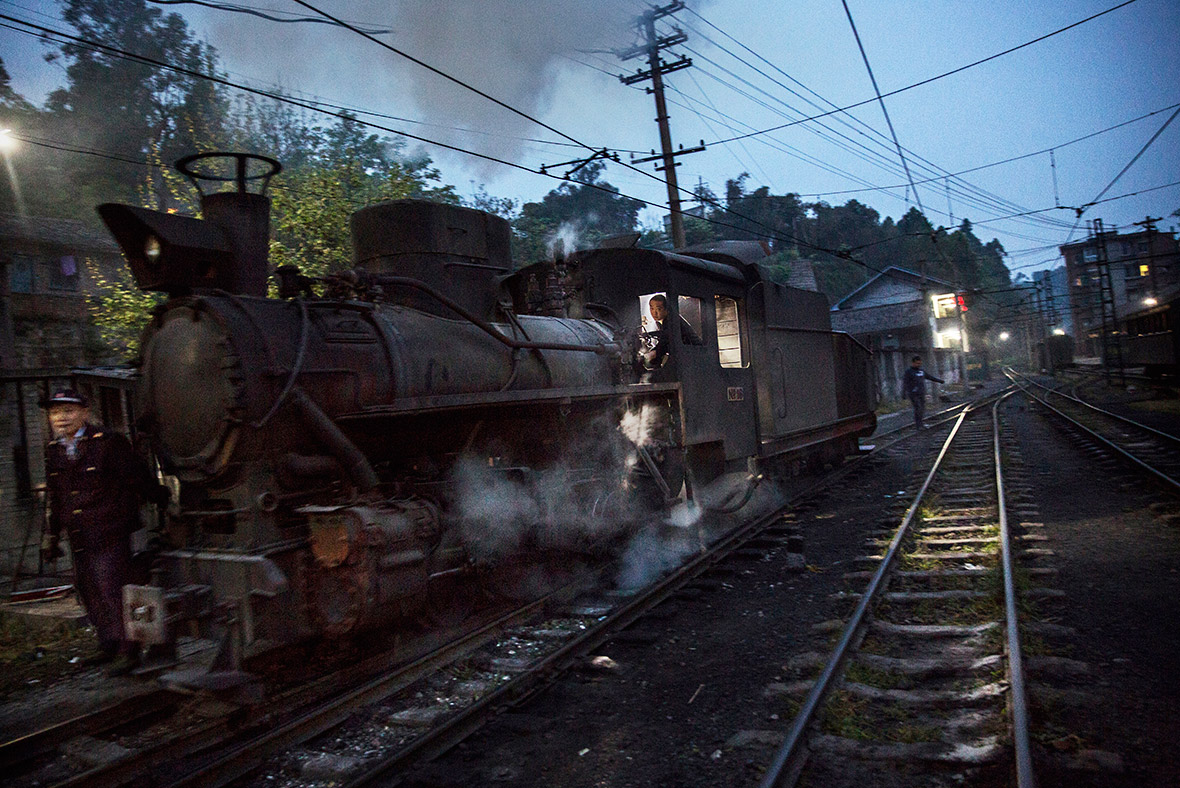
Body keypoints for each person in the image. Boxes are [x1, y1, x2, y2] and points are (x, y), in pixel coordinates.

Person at [39, 389, 165, 676]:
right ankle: (107, 644)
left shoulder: (107, 443)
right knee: (90, 591)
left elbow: (137, 477)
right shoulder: (54, 450)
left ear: (84, 412)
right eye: (55, 413)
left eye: (68, 411)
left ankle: (128, 650)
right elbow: (55, 498)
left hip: (111, 531)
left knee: (113, 590)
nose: (61, 418)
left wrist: (158, 497)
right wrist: (51, 535)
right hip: (80, 535)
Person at [902, 355, 944, 431]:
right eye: (917, 363)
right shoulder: (909, 372)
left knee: (922, 409)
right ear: (913, 363)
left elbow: (930, 377)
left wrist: (939, 381)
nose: (919, 365)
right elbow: (905, 383)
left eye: (920, 363)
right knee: (918, 408)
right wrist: (904, 393)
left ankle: (921, 424)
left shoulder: (921, 371)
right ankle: (918, 425)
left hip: (921, 393)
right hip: (913, 394)